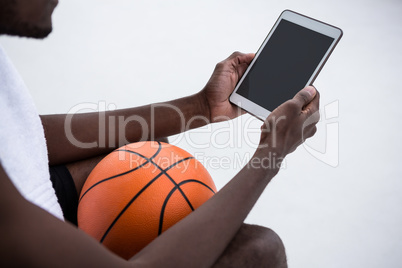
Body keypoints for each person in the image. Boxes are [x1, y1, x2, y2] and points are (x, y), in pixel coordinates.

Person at [0, 0, 320, 267]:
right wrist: (270, 155)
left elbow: (22, 133)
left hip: (29, 200)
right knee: (262, 249)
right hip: (21, 227)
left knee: (148, 154)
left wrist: (202, 107)